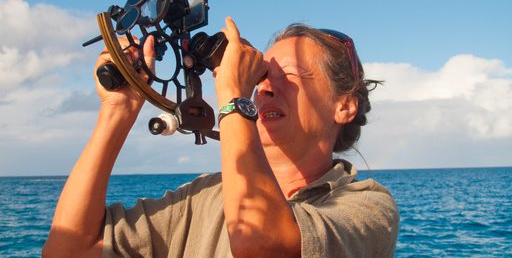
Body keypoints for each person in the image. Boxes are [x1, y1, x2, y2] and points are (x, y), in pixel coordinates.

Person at [43, 17, 399, 257]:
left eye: (289, 76)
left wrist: (232, 94)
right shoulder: (206, 196)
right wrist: (116, 112)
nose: (265, 90)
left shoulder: (368, 206)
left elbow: (261, 245)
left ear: (344, 106)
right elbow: (68, 249)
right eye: (261, 75)